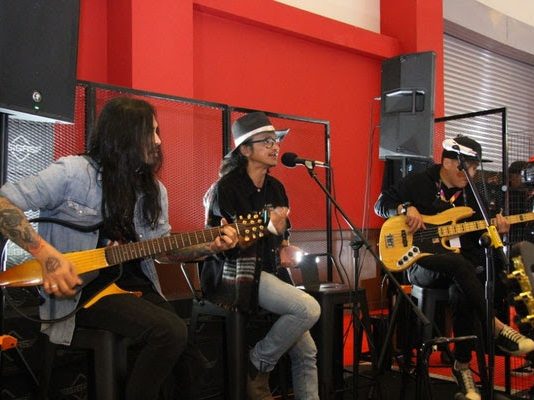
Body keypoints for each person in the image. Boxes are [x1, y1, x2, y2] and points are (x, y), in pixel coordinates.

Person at [0, 97, 238, 400]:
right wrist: (48, 256)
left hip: (134, 287)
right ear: (123, 135)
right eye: (149, 132)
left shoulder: (154, 190)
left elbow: (162, 251)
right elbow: (4, 203)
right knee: (170, 332)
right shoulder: (73, 172)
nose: (158, 141)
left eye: (157, 132)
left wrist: (209, 246)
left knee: (191, 361)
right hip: (81, 292)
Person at [374, 135, 534, 400]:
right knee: (461, 268)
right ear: (447, 162)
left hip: (458, 267)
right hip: (419, 263)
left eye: (474, 168)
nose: (471, 173)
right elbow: (380, 205)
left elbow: (478, 235)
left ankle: (462, 368)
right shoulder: (418, 182)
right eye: (466, 167)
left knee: (464, 284)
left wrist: (497, 231)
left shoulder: (473, 194)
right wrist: (405, 208)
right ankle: (495, 327)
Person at [202, 112, 321, 400]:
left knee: (308, 351)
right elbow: (231, 242)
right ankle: (258, 363)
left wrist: (285, 245)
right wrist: (268, 225)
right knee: (308, 309)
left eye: (276, 141)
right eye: (266, 141)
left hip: (269, 271)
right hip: (234, 272)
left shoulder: (276, 187)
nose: (275, 146)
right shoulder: (225, 188)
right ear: (245, 150)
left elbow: (282, 232)